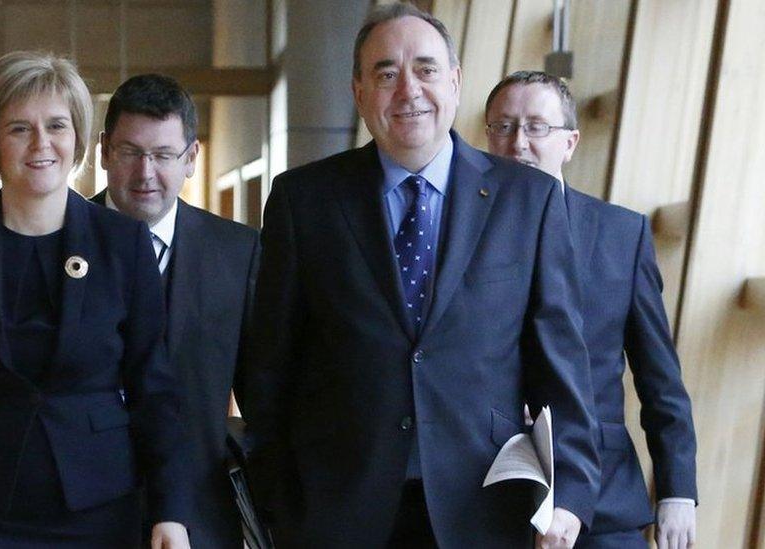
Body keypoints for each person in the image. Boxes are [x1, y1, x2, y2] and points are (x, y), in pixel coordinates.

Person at [240, 3, 600, 548]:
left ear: (455, 83)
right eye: (386, 72)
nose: (408, 89)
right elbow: (269, 362)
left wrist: (568, 493)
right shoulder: (304, 200)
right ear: (359, 92)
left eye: (426, 69)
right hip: (335, 511)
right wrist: (279, 496)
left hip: (483, 507)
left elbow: (561, 362)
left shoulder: (529, 200)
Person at [0, 51, 190, 549]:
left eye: (57, 125)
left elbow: (153, 389)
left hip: (98, 510)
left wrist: (170, 512)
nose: (42, 144)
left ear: (76, 139)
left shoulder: (122, 244)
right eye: (19, 129)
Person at [485, 70, 698, 549]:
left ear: (571, 143)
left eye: (536, 126)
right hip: (482, 489)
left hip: (603, 495)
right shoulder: (457, 235)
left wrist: (677, 490)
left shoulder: (621, 235)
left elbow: (660, 377)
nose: (517, 142)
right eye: (501, 126)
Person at [93, 73, 259, 548]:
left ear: (191, 159)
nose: (146, 173)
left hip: (200, 518)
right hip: (83, 518)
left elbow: (262, 397)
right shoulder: (62, 244)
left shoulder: (238, 252)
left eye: (164, 155)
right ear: (104, 151)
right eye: (130, 152)